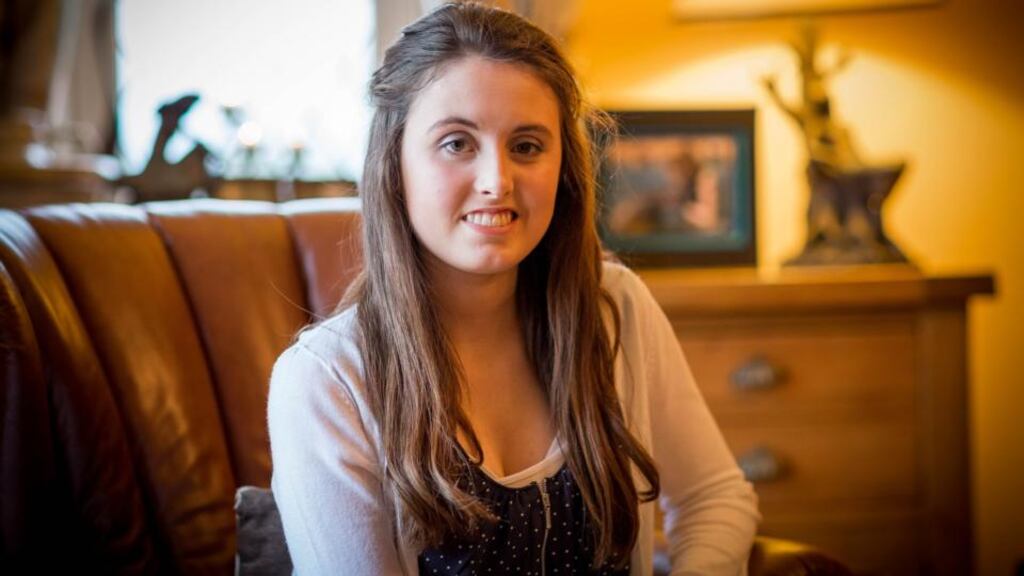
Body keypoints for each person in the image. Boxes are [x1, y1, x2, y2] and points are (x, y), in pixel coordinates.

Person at [268, 3, 760, 574]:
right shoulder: (327, 382)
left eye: (526, 146)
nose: (496, 181)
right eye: (457, 143)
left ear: (563, 168)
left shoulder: (616, 307)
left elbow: (714, 498)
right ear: (393, 165)